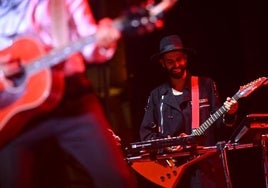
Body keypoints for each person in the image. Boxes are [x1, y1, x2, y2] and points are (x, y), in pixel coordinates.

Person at [0, 0, 136, 188]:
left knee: (117, 181)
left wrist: (103, 41)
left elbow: (89, 45)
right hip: (14, 110)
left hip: (71, 100)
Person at [139, 34, 239, 187]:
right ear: (162, 64)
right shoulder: (156, 95)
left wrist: (230, 114)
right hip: (172, 171)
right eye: (170, 61)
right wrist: (168, 144)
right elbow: (146, 134)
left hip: (205, 170)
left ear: (185, 58)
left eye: (179, 59)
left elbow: (221, 126)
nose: (176, 64)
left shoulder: (205, 85)